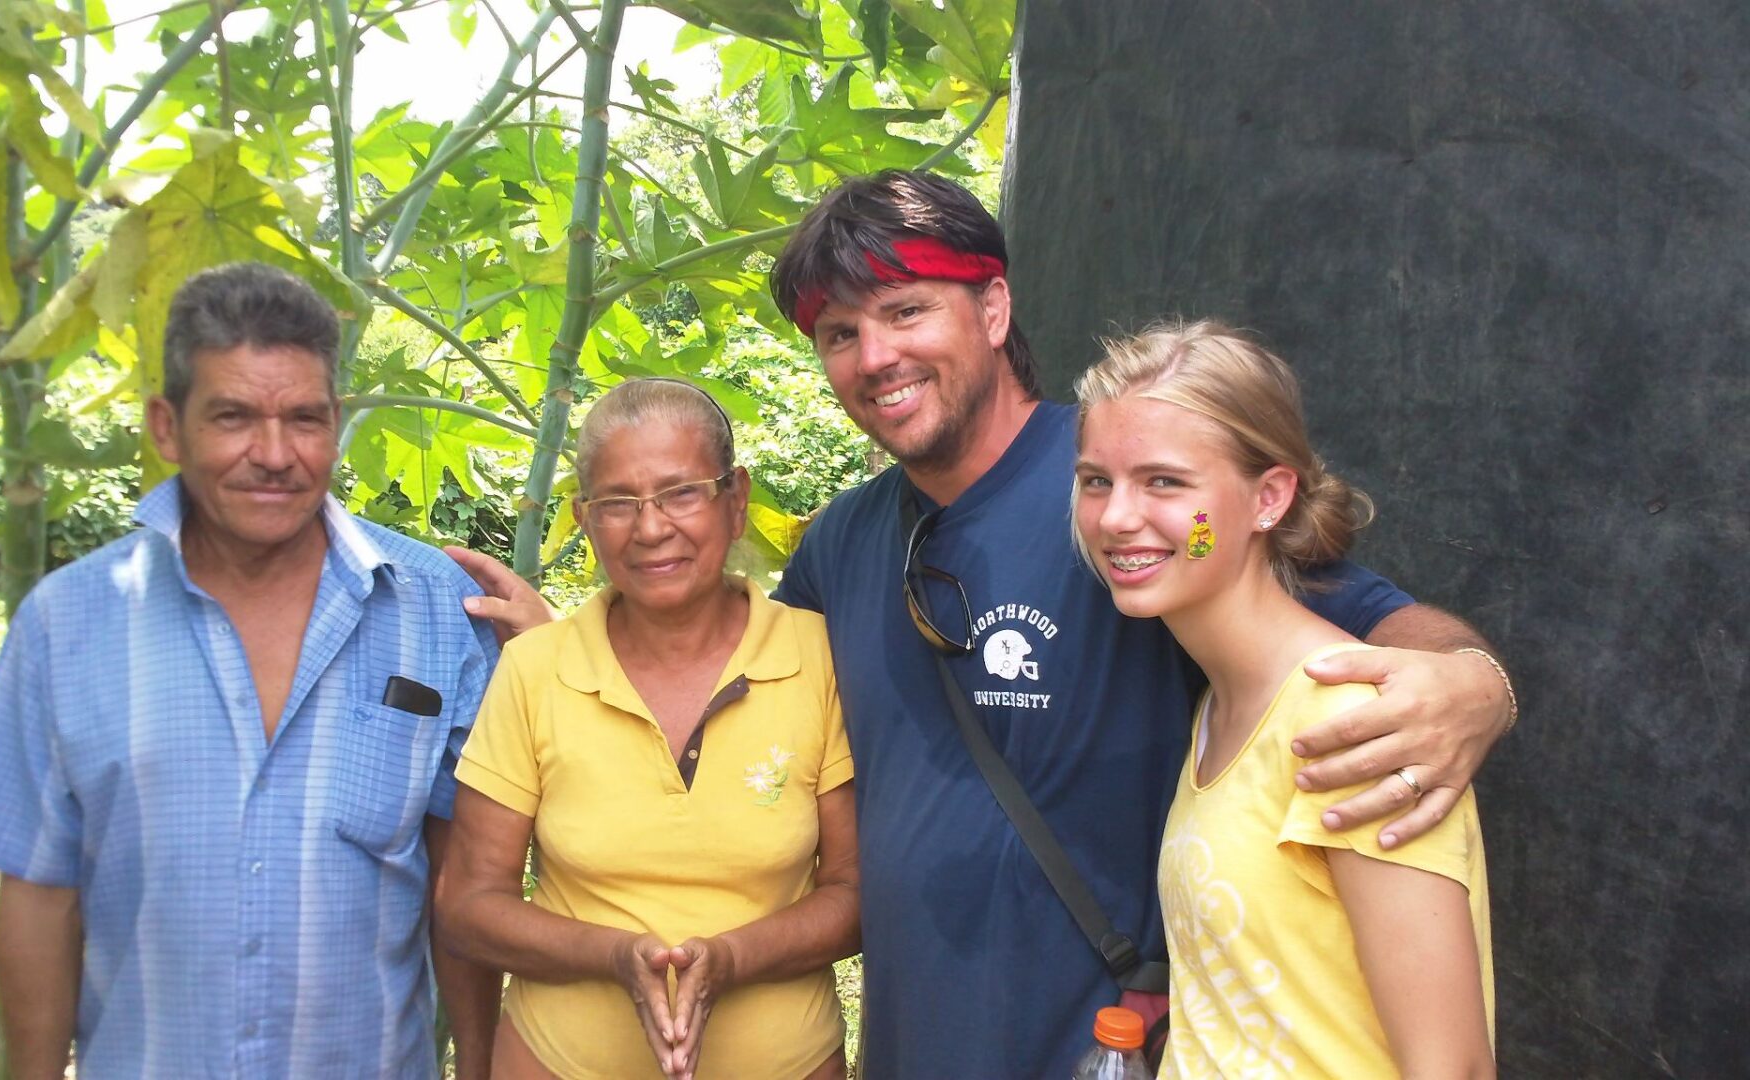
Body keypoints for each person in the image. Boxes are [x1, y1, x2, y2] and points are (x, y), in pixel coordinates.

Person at [448, 171, 1517, 1079]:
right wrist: (581, 641)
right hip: (916, 1039)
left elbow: (1344, 609)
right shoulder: (845, 544)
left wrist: (1468, 681)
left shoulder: (1128, 499)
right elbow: (738, 678)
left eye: (909, 310)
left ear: (993, 312)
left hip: (1100, 1043)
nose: (875, 356)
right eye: (840, 333)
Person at [0, 263, 503, 1079]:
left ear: (335, 423)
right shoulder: (71, 621)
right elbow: (38, 892)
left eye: (304, 419)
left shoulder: (434, 610)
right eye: (233, 416)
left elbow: (462, 882)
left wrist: (477, 1068)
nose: (273, 455)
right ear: (167, 427)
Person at [1073, 320, 1494, 1077]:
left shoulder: (1352, 718)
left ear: (1268, 497)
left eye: (1164, 481)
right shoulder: (1223, 705)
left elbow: (1451, 1065)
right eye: (1096, 479)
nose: (1115, 517)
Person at [433, 378, 859, 1080]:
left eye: (681, 492)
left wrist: (730, 960)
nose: (651, 527)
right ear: (585, 519)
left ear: (736, 498)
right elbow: (468, 905)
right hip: (557, 1061)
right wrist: (613, 956)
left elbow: (855, 892)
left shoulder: (817, 655)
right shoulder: (537, 668)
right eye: (618, 503)